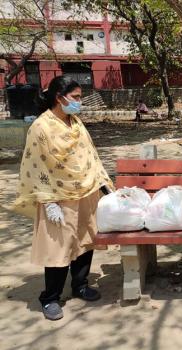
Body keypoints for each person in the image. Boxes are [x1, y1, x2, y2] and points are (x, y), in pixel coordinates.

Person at [10, 75, 114, 321]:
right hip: (57, 196)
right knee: (59, 247)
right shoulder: (41, 127)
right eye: (75, 97)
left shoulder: (75, 122)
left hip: (86, 190)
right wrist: (47, 201)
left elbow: (90, 154)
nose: (79, 102)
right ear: (59, 97)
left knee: (84, 241)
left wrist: (102, 183)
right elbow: (36, 165)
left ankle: (80, 285)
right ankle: (50, 298)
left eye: (79, 97)